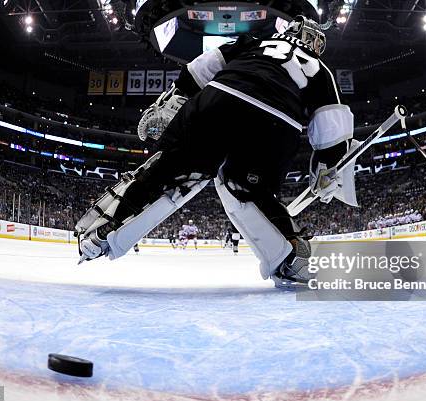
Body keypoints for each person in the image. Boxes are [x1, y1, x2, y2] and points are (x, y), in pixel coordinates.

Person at [75, 16, 355, 288]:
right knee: (246, 190)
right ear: (313, 42)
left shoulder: (253, 43)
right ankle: (291, 253)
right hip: (276, 121)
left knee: (171, 169)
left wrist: (175, 98)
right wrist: (327, 168)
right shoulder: (320, 69)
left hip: (220, 96)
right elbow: (331, 126)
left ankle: (107, 227)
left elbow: (200, 68)